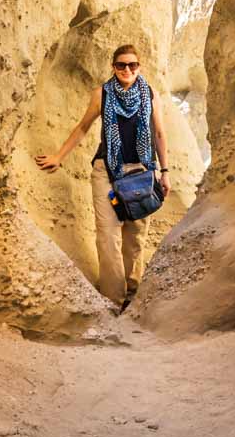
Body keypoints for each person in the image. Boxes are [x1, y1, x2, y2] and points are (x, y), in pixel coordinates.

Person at [35, 45, 171, 309]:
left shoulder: (151, 95)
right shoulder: (102, 94)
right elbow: (83, 126)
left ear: (139, 66)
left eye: (132, 65)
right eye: (121, 65)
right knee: (108, 235)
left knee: (135, 236)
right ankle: (112, 300)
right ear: (113, 67)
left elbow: (160, 134)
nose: (127, 70)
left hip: (142, 173)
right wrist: (58, 157)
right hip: (106, 172)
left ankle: (132, 294)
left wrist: (164, 172)